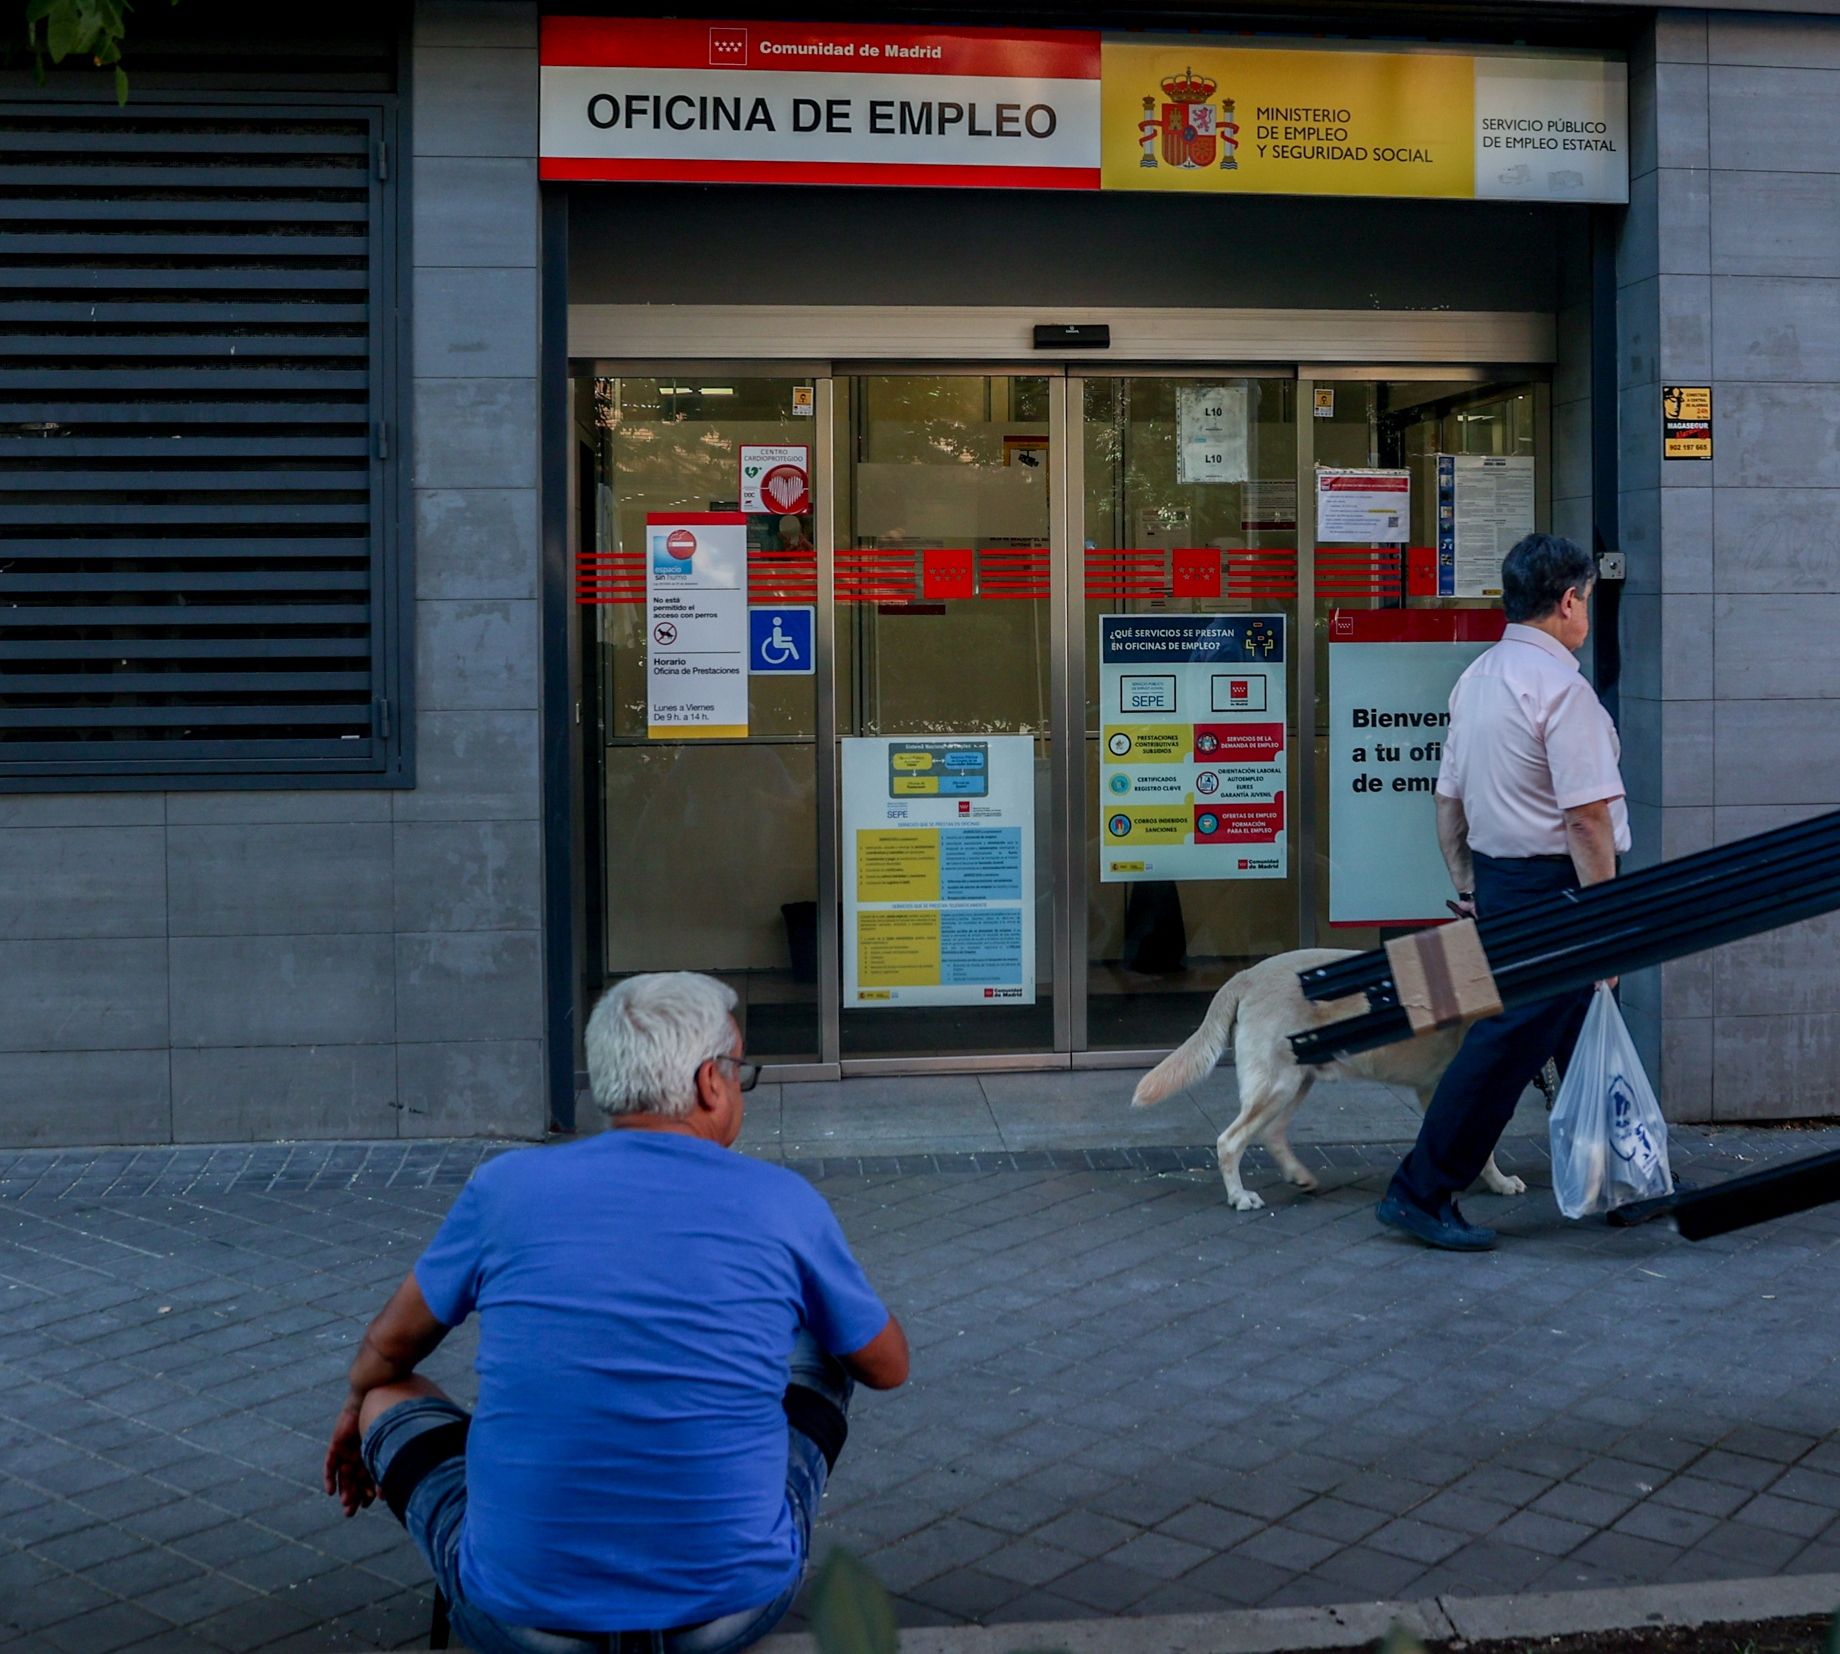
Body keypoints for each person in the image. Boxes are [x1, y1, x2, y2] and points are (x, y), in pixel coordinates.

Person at [322, 972, 909, 1652]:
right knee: (833, 1342)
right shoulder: (782, 1201)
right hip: (728, 1614)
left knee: (385, 1395)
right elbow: (886, 1366)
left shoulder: (506, 1188)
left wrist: (353, 1406)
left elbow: (389, 1351)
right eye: (739, 1071)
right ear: (710, 1083)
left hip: (522, 1624)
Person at [1377, 533, 1629, 1253]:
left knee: (1586, 1033)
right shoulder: (1561, 690)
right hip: (1563, 889)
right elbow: (1586, 819)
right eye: (1588, 598)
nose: (1588, 612)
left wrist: (1469, 883)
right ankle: (1421, 1190)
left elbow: (1447, 800)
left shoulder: (1479, 677)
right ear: (1571, 600)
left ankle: (1623, 1178)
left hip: (1503, 879)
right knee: (1506, 1042)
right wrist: (1608, 920)